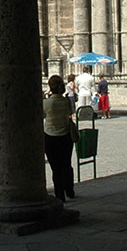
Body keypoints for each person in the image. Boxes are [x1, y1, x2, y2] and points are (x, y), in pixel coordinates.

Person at [43, 74, 75, 202]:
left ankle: (59, 194)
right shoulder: (66, 101)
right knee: (67, 163)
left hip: (50, 136)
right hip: (66, 135)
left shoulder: (46, 103)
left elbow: (41, 115)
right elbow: (70, 112)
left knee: (55, 167)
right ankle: (70, 189)